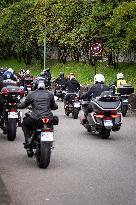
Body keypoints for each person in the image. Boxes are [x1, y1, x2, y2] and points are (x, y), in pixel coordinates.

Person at [17, 80, 58, 148]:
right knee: (51, 125)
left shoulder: (31, 94)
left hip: (35, 118)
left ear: (35, 86)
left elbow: (24, 105)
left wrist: (17, 105)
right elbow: (54, 106)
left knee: (24, 124)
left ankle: (28, 139)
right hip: (48, 117)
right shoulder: (50, 94)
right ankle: (50, 141)